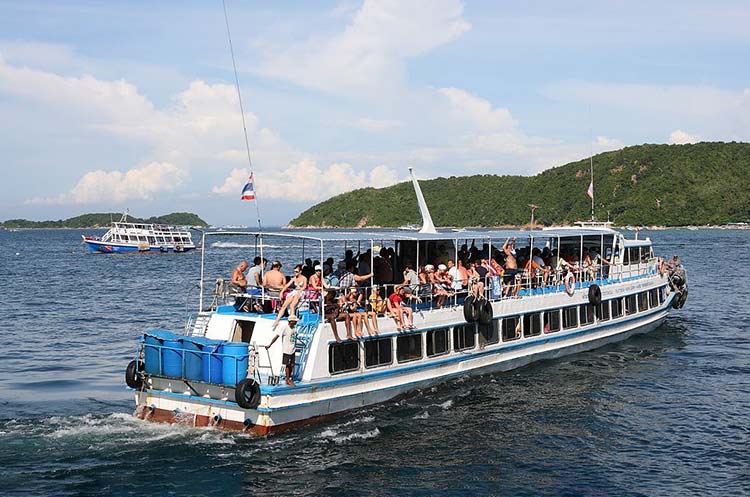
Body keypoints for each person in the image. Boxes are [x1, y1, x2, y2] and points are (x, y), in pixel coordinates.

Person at [263, 315, 298, 387]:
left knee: (292, 365)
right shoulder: (285, 327)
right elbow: (277, 336)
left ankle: (288, 378)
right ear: (290, 321)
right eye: (294, 321)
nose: (295, 323)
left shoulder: (294, 329)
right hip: (286, 350)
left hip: (293, 350)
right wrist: (270, 344)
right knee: (287, 365)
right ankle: (287, 379)